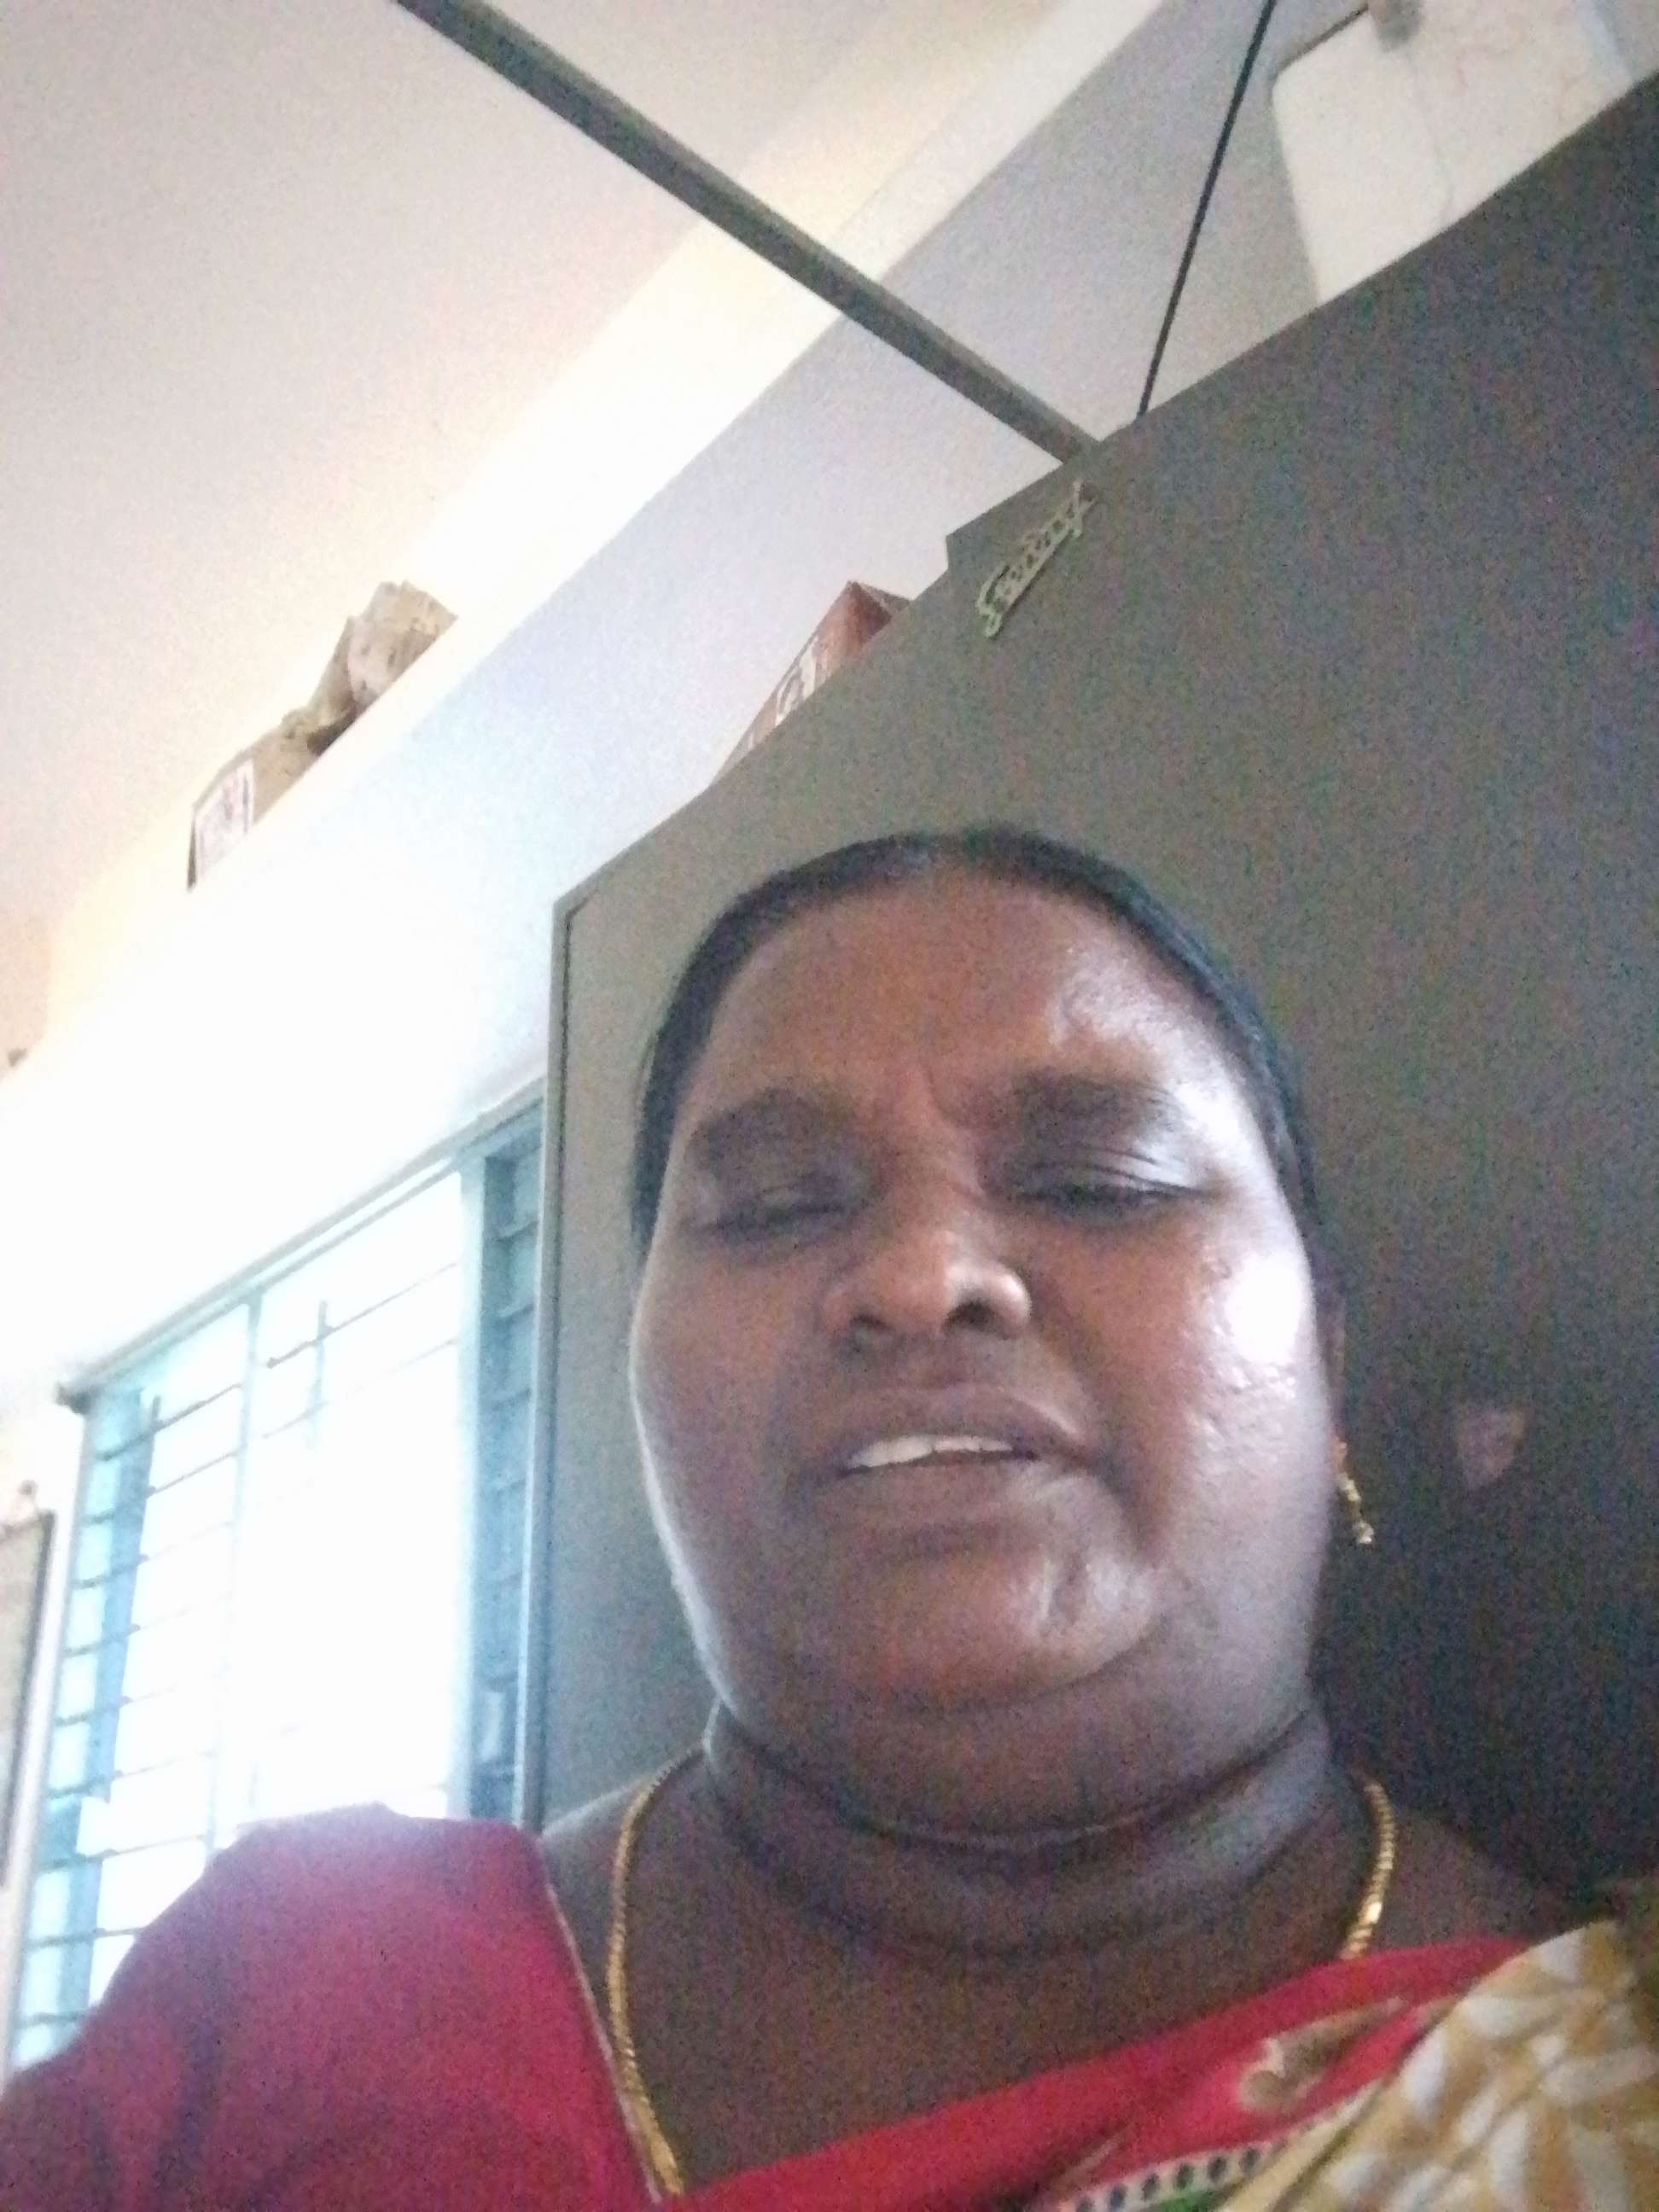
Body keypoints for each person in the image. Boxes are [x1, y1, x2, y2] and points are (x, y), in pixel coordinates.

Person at [0, 826, 1650, 2209]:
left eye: (1100, 1183)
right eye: (780, 1206)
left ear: (1330, 1366)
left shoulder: (1603, 2079)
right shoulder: (298, 1992)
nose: (926, 1277)